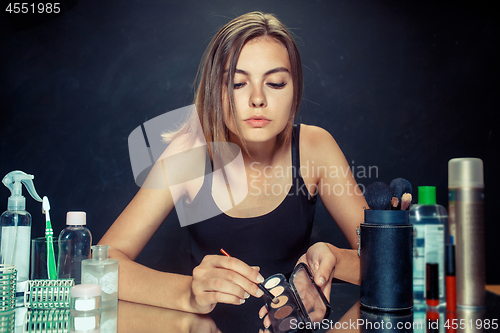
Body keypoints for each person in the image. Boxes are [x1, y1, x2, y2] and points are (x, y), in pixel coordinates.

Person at [98, 11, 367, 319]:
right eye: (238, 83)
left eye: (276, 83)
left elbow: (404, 270)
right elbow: (101, 267)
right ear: (216, 91)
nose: (257, 99)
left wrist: (335, 259)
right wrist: (187, 293)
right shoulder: (188, 155)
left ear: (294, 92)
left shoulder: (315, 148)